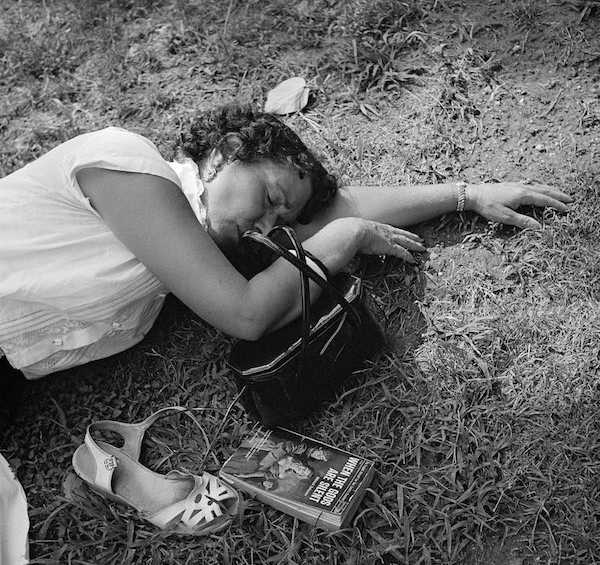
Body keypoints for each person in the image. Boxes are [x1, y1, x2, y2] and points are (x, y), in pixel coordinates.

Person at [0, 102, 572, 390]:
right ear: (227, 148)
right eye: (271, 194)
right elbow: (246, 313)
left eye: (281, 217)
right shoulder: (130, 166)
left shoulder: (200, 230)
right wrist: (343, 241)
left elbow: (335, 208)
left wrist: (465, 194)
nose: (267, 222)